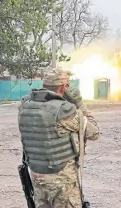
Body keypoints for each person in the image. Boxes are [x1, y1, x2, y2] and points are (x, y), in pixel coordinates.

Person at [18, 68, 99, 207]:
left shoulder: (25, 105)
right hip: (62, 178)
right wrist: (78, 102)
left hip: (36, 175)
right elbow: (94, 132)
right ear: (63, 86)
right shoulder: (64, 110)